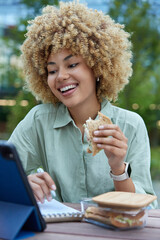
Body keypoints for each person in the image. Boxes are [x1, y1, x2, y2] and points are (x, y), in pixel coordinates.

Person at [8, 1, 157, 208]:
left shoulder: (131, 125)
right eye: (52, 70)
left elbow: (146, 209)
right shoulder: (38, 120)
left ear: (97, 67)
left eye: (72, 64)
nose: (61, 76)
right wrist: (22, 185)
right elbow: (5, 176)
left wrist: (118, 168)